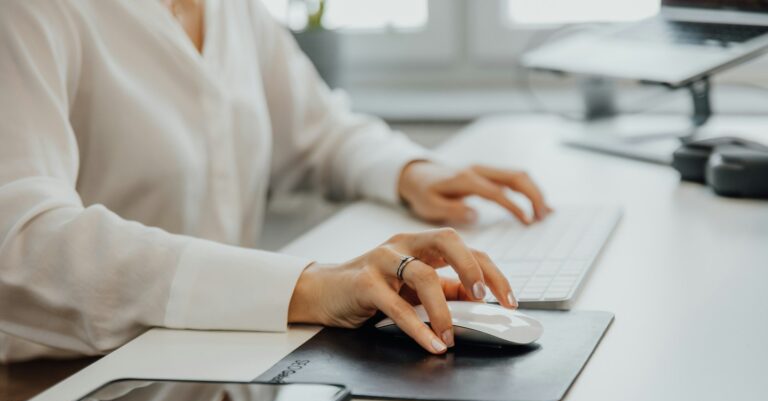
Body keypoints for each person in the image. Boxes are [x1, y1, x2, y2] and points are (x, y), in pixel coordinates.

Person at [0, 0, 550, 363]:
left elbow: (319, 131)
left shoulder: (232, 10)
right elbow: (21, 240)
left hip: (216, 354)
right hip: (61, 383)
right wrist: (307, 286)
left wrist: (414, 172)